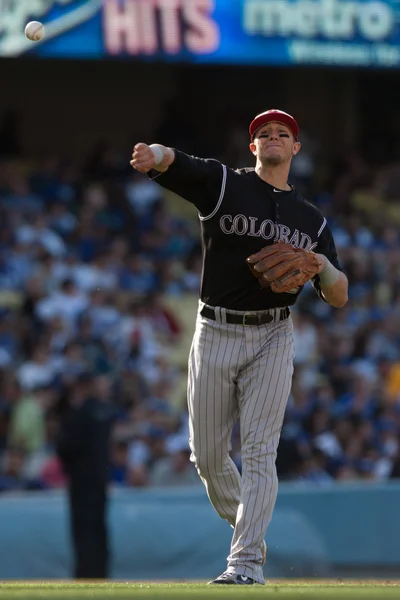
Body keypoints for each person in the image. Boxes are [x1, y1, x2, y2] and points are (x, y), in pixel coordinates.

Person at [130, 109, 348, 585]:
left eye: (282, 133)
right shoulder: (226, 184)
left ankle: (245, 563)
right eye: (263, 133)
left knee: (259, 452)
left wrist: (319, 264)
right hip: (216, 330)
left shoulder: (310, 219)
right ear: (253, 148)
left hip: (274, 333)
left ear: (295, 149)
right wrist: (156, 154)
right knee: (206, 456)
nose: (272, 137)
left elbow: (339, 294)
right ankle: (252, 535)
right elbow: (179, 163)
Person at [56, 374, 116, 579]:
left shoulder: (79, 413)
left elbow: (66, 447)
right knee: (99, 528)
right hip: (100, 480)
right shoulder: (104, 413)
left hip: (81, 482)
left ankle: (86, 572)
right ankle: (101, 572)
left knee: (83, 530)